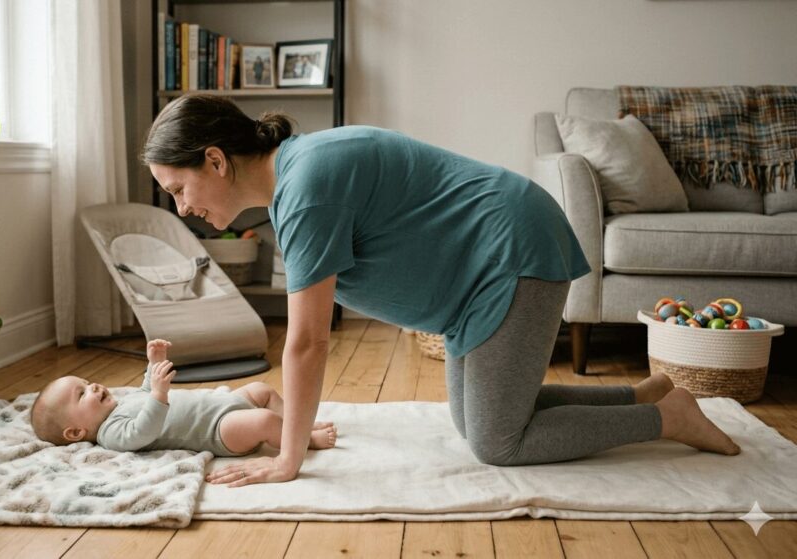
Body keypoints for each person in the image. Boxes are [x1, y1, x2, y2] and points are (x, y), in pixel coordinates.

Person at [141, 94, 741, 487]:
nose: (182, 205)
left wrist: (287, 459)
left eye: (177, 187)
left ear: (215, 160)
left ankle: (667, 420)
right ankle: (645, 397)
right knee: (479, 418)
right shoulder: (296, 184)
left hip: (509, 255)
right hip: (472, 285)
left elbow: (306, 344)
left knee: (497, 442)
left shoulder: (305, 189)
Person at [30, 338, 338, 457]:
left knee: (263, 390)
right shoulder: (111, 435)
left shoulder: (121, 404)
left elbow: (144, 391)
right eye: (81, 393)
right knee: (264, 420)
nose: (94, 386)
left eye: (87, 382)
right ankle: (304, 441)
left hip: (224, 403)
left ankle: (301, 424)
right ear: (75, 432)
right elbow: (143, 431)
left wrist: (154, 362)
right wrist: (160, 396)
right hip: (218, 430)